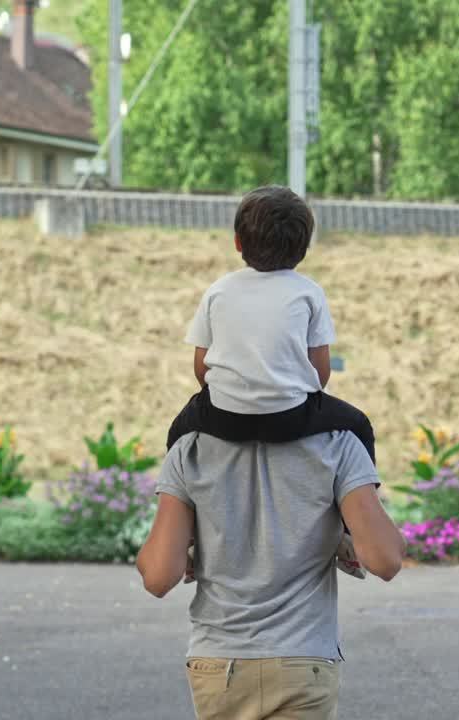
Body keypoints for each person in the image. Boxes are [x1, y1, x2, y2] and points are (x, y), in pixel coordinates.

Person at [164, 185, 375, 581]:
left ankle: (186, 538)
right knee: (359, 425)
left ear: (238, 242)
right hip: (291, 417)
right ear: (304, 248)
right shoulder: (309, 292)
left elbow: (201, 366)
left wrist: (227, 393)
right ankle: (349, 535)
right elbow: (320, 370)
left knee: (178, 433)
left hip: (224, 416)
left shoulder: (218, 291)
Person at [136, 429, 405, 720]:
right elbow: (386, 560)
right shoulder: (338, 443)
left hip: (219, 661)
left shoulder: (189, 448)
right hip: (302, 658)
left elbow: (158, 577)